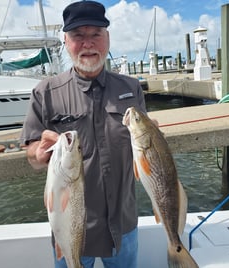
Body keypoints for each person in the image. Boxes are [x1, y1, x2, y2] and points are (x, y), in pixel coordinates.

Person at [20, 1, 147, 267]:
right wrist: (38, 152)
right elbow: (31, 152)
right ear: (66, 41)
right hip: (70, 226)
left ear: (107, 38)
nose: (87, 43)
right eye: (78, 36)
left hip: (123, 225)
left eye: (95, 35)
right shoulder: (45, 92)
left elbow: (143, 150)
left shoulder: (132, 88)